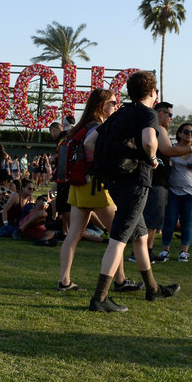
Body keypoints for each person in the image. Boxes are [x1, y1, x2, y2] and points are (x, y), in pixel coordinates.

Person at [86, 71, 179, 312]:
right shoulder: (147, 113)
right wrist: (151, 158)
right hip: (135, 182)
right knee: (118, 239)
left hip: (113, 181)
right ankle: (100, 297)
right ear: (152, 93)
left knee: (139, 236)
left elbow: (89, 142)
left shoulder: (120, 113)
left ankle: (153, 289)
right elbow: (149, 141)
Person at [57, 89, 139, 292]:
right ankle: (119, 280)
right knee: (118, 233)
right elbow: (92, 148)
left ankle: (64, 281)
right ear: (102, 105)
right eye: (112, 103)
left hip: (78, 185)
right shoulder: (97, 126)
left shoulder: (82, 125)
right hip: (95, 185)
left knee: (74, 234)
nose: (116, 106)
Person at [156, 122, 192, 262]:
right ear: (179, 133)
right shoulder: (172, 149)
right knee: (170, 220)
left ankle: (183, 251)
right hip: (174, 190)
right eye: (186, 132)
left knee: (188, 222)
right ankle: (164, 250)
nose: (190, 135)